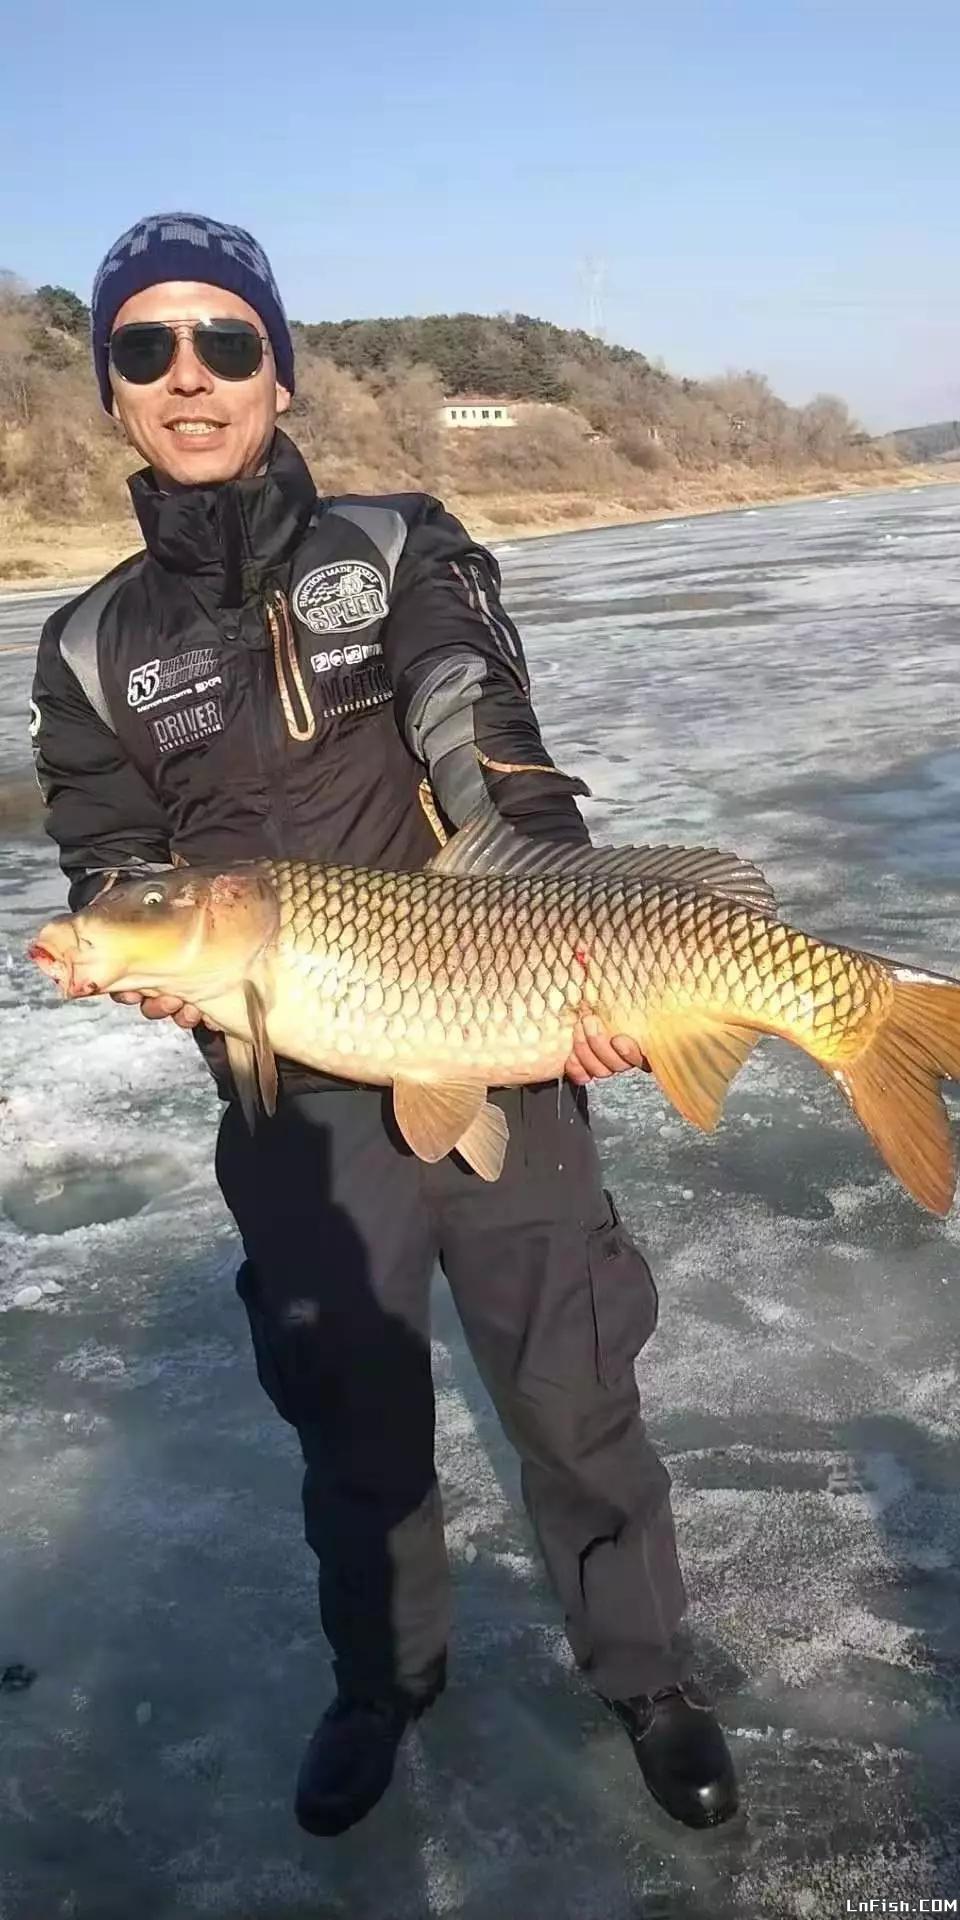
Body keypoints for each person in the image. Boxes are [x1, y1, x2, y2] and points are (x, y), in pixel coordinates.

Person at [31, 211, 739, 1838]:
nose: (189, 376)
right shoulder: (83, 649)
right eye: (147, 348)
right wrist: (127, 944)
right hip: (291, 1080)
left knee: (572, 1388)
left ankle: (645, 1674)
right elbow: (107, 861)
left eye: (226, 342)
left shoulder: (397, 539)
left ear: (279, 371)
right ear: (114, 390)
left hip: (491, 997)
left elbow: (479, 730)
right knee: (353, 1421)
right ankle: (386, 1682)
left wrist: (570, 930)